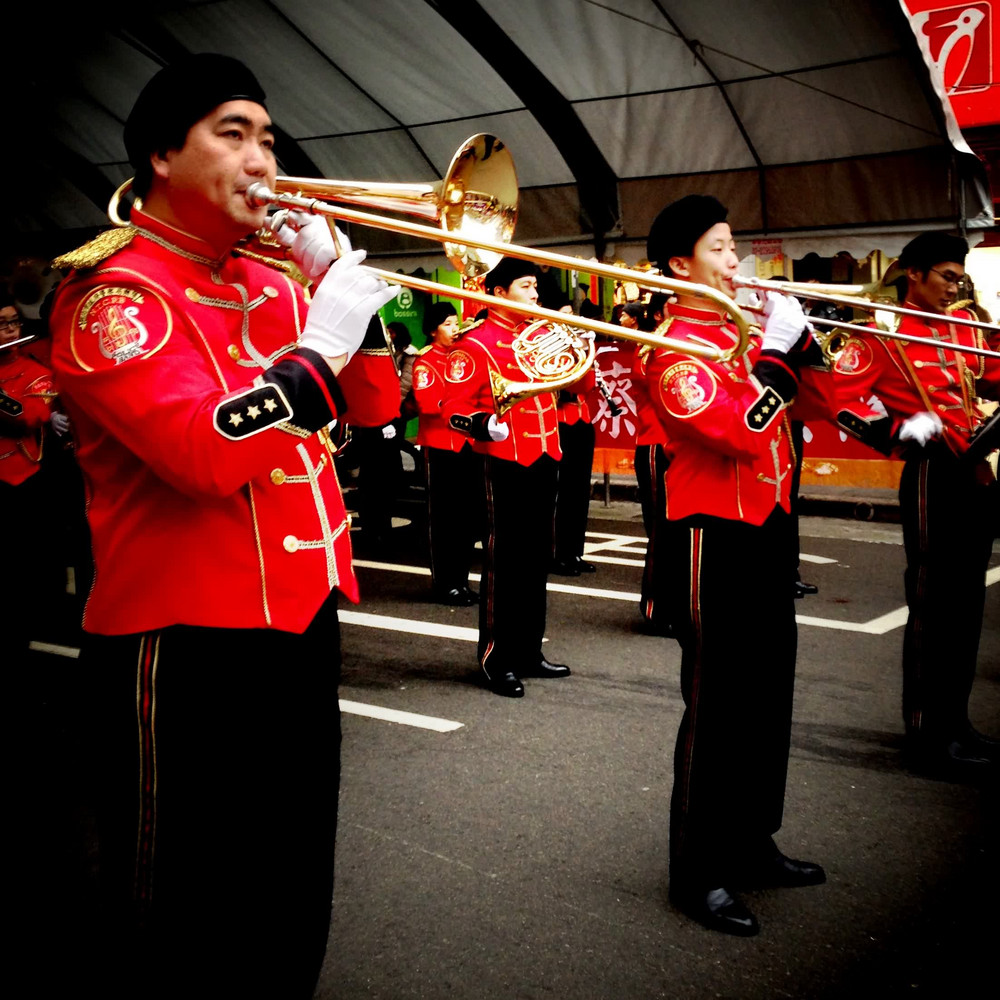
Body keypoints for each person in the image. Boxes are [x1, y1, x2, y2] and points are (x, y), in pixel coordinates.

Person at [46, 53, 398, 999]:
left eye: (268, 139)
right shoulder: (113, 293)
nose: (262, 160)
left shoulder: (272, 279)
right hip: (182, 637)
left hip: (300, 616)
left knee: (289, 876)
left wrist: (349, 303)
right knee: (182, 898)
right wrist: (318, 349)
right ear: (162, 154)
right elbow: (201, 451)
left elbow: (374, 405)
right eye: (232, 134)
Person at [643, 195, 833, 936]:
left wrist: (802, 346)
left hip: (769, 523)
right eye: (719, 248)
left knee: (766, 692)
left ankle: (752, 839)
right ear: (678, 264)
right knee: (718, 703)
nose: (734, 261)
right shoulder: (672, 348)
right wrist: (776, 358)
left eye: (733, 246)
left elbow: (816, 408)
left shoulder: (742, 333)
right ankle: (698, 870)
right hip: (711, 534)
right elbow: (738, 431)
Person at [832, 231, 999, 777]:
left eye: (959, 279)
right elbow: (841, 400)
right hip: (931, 472)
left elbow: (991, 377)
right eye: (946, 277)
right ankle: (929, 730)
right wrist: (899, 433)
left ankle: (957, 721)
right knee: (934, 605)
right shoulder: (882, 331)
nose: (954, 288)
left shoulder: (964, 325)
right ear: (914, 273)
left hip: (975, 470)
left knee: (967, 606)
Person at [442, 256, 572, 697]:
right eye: (525, 286)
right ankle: (496, 659)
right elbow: (451, 406)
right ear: (499, 292)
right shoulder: (476, 343)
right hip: (504, 458)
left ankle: (529, 650)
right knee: (505, 560)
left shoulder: (541, 335)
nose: (535, 294)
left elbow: (577, 386)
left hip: (546, 453)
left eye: (535, 286)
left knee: (537, 558)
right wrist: (481, 425)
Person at [411, 301, 483, 604]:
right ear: (432, 330)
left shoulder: (462, 358)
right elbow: (428, 404)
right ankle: (445, 583)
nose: (456, 329)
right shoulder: (426, 361)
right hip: (441, 445)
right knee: (443, 518)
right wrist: (461, 405)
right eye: (448, 324)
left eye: (457, 322)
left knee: (466, 517)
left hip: (467, 444)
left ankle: (461, 581)